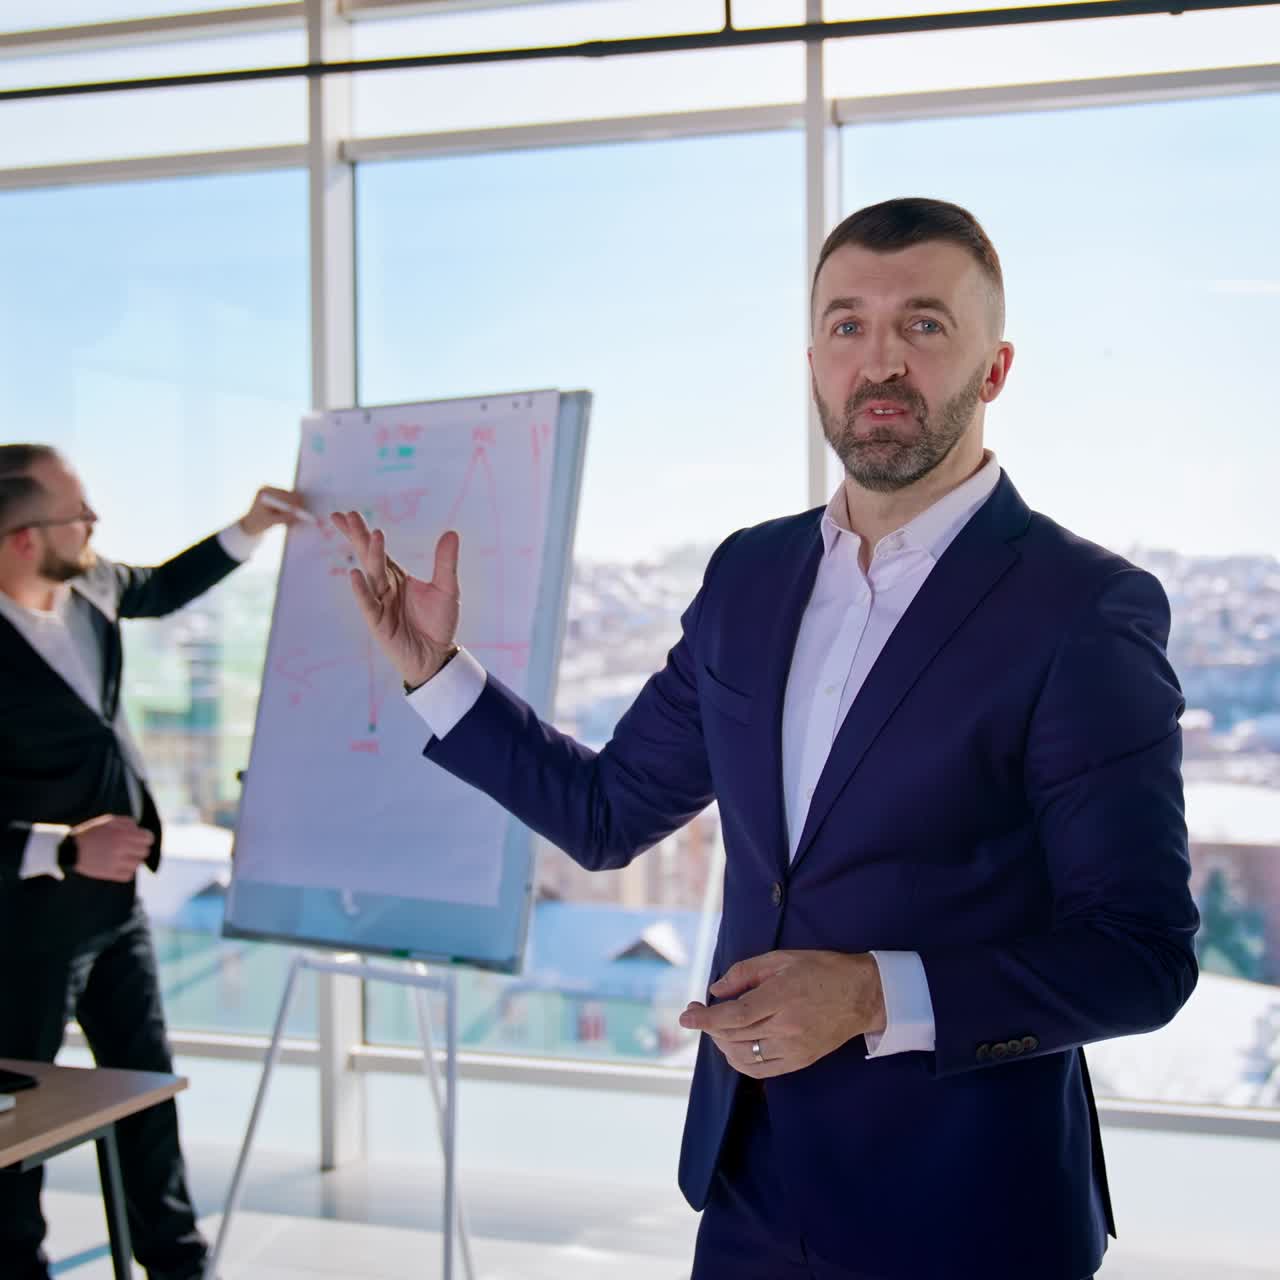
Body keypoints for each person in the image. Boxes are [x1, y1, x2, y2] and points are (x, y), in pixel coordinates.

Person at [333, 197, 1200, 1280]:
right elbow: (607, 816)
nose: (878, 362)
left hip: (968, 1209)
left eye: (922, 325)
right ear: (810, 360)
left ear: (994, 367)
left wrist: (872, 991)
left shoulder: (1082, 608)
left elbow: (1139, 955)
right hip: (749, 1186)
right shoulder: (747, 574)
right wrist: (433, 669)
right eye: (847, 326)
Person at [0, 442, 306, 1280]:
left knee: (144, 1085)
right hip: (23, 920)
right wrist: (61, 846)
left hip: (117, 902)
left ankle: (175, 1260)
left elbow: (164, 587)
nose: (95, 525)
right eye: (77, 513)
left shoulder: (90, 582)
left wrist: (249, 528)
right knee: (18, 1118)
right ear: (22, 538)